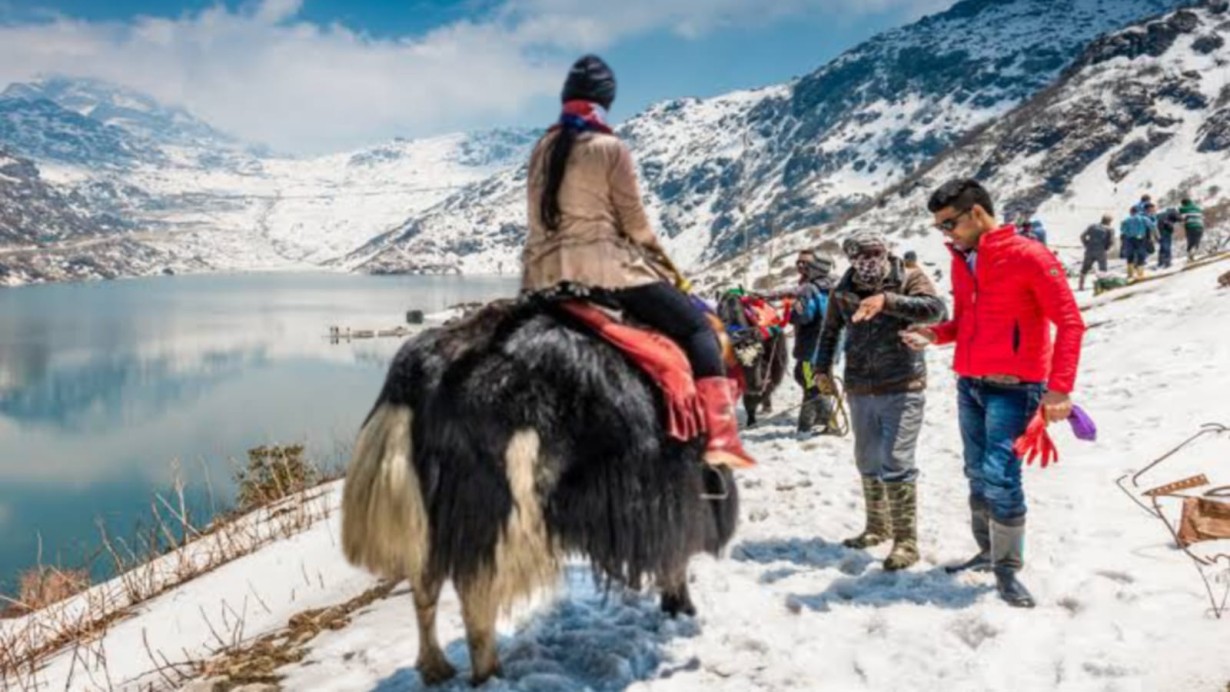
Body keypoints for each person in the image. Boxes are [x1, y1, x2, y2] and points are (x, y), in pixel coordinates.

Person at [521, 54, 754, 468]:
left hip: (543, 279)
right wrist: (673, 274)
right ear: (604, 101)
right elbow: (636, 228)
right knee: (699, 328)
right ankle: (721, 438)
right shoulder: (609, 147)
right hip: (608, 274)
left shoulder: (543, 147)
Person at [907, 179, 1086, 608]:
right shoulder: (962, 260)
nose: (945, 233)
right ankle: (987, 552)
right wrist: (935, 334)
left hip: (1016, 388)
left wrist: (1059, 389)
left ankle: (1007, 571)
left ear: (977, 213)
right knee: (976, 471)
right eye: (938, 227)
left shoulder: (1029, 256)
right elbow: (969, 322)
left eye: (949, 223)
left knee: (1001, 476)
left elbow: (1071, 322)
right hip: (970, 383)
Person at [812, 231, 946, 571]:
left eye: (875, 253)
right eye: (861, 255)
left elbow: (936, 310)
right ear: (851, 258)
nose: (869, 261)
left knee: (896, 457)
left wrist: (888, 300)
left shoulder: (910, 278)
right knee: (867, 457)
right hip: (860, 385)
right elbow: (829, 332)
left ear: (885, 251)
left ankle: (906, 541)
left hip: (903, 383)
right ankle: (877, 527)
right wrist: (821, 369)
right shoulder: (843, 291)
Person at [1119, 204, 1156, 281]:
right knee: (1141, 255)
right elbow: (1152, 226)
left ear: (1131, 212)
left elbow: (1123, 230)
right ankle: (1140, 273)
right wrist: (1156, 236)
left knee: (1130, 256)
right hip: (1140, 239)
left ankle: (1130, 274)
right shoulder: (1143, 218)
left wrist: (1129, 233)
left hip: (1129, 239)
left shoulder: (1126, 220)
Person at [1078, 215, 1114, 291]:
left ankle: (1081, 286)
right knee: (1103, 269)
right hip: (1101, 251)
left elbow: (1082, 236)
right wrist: (1106, 248)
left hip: (1090, 250)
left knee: (1085, 268)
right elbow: (1111, 241)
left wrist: (1086, 244)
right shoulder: (1110, 229)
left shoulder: (1092, 226)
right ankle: (1103, 286)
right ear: (1109, 221)